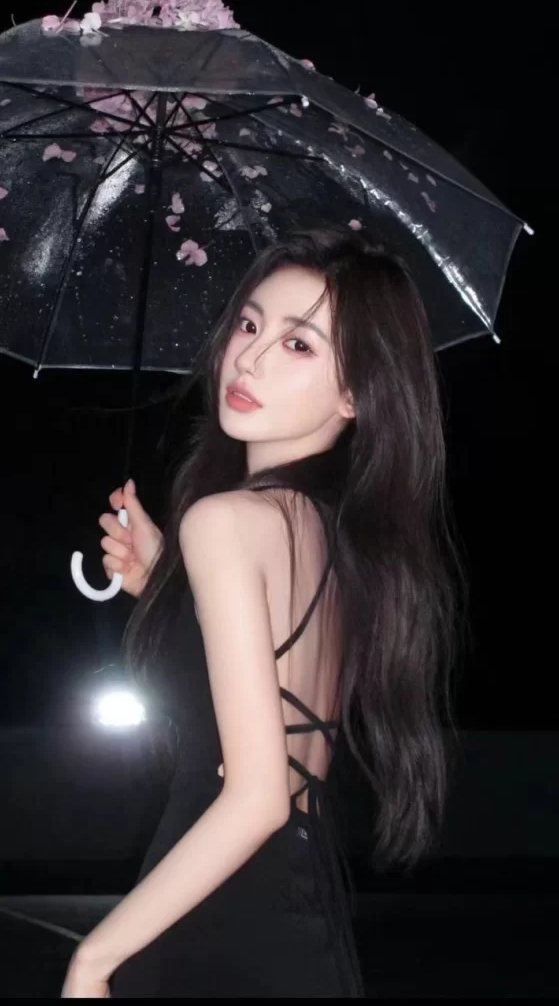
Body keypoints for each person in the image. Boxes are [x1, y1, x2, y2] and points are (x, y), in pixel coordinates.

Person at [61, 227, 464, 998]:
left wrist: (93, 959)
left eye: (298, 345)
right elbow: (275, 693)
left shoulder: (226, 523)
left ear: (356, 394)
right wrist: (164, 583)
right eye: (249, 325)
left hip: (217, 917)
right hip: (298, 912)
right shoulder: (330, 532)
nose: (248, 359)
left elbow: (255, 798)